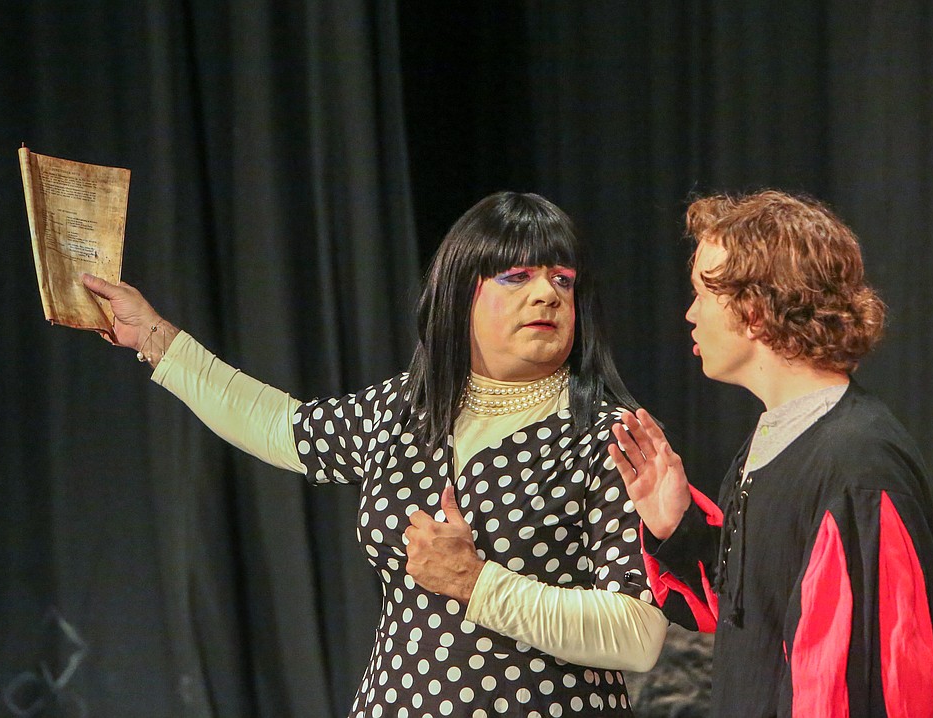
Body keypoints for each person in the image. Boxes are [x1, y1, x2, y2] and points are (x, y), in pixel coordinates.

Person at [84, 191, 668, 717]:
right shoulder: (406, 410)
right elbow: (281, 426)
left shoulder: (609, 437)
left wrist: (477, 582)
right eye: (517, 275)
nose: (547, 293)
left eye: (563, 280)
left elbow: (638, 635)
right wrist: (156, 339)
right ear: (459, 292)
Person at [608, 190, 933, 716]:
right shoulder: (775, 440)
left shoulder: (858, 468)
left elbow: (876, 680)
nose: (689, 314)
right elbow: (756, 618)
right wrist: (678, 528)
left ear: (753, 313)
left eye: (703, 296)